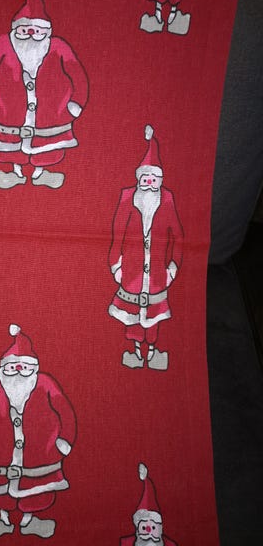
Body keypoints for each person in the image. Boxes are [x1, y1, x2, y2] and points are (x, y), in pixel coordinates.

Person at [0, 324, 77, 539]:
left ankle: (30, 521)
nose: (18, 370)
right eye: (13, 366)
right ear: (5, 366)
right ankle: (1, 521)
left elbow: (64, 409)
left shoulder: (45, 383)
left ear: (33, 367)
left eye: (24, 366)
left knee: (37, 493)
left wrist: (63, 441)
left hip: (40, 456)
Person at [0, 0, 89, 189]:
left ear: (46, 30)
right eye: (26, 29)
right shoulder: (2, 45)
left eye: (37, 30)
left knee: (47, 148)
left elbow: (77, 73)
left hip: (52, 114)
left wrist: (75, 103)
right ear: (17, 28)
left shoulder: (58, 47)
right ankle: (14, 173)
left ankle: (41, 174)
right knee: (9, 146)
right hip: (6, 111)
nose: (31, 34)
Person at [108, 125, 183, 370]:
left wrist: (173, 268)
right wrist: (116, 265)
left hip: (159, 275)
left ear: (159, 181)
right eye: (145, 179)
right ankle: (134, 353)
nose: (149, 184)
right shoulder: (127, 198)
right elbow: (116, 234)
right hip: (130, 272)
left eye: (153, 180)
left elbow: (178, 237)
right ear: (139, 179)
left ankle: (151, 352)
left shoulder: (167, 199)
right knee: (130, 316)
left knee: (154, 318)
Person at [120, 463, 178, 546]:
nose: (149, 533)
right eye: (144, 528)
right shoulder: (126, 544)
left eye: (153, 528)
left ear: (160, 528)